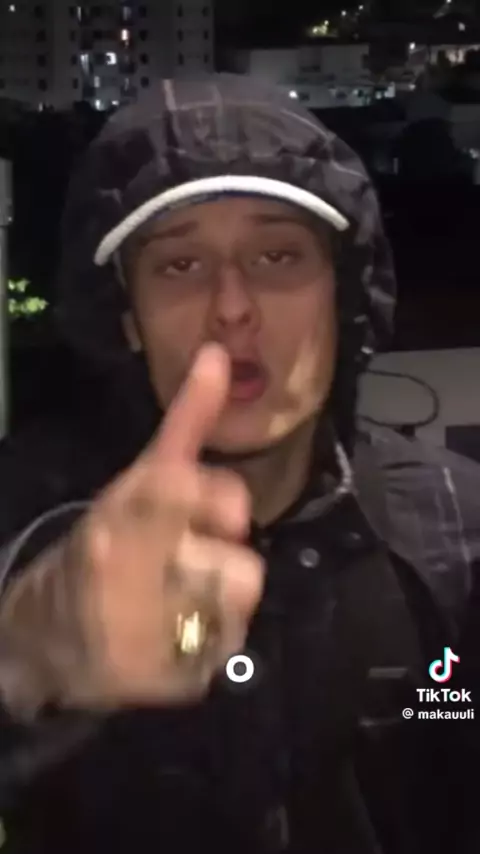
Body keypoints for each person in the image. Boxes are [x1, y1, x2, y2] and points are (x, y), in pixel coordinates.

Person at [0, 73, 479, 854]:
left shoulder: (457, 533)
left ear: (341, 294)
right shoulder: (24, 515)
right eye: (179, 266)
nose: (231, 306)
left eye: (277, 254)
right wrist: (26, 657)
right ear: (127, 317)